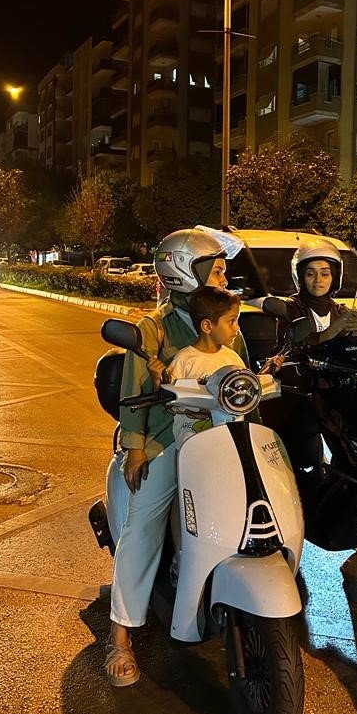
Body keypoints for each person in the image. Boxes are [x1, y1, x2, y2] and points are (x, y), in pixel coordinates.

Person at [105, 229, 251, 687]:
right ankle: (121, 635)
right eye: (217, 268)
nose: (225, 275)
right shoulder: (155, 329)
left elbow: (241, 384)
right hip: (168, 440)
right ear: (184, 270)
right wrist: (135, 448)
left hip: (221, 439)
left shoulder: (230, 324)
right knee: (142, 524)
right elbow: (134, 392)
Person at [270, 239, 357, 472]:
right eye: (311, 273)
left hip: (334, 394)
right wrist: (335, 328)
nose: (318, 280)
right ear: (300, 276)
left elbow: (352, 352)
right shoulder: (291, 307)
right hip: (300, 396)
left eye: (325, 273)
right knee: (304, 463)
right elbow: (300, 343)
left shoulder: (340, 310)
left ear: (335, 277)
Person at [167, 286, 247, 448]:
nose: (237, 328)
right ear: (207, 326)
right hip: (190, 446)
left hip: (228, 444)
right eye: (231, 321)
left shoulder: (232, 359)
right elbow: (171, 402)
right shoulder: (184, 360)